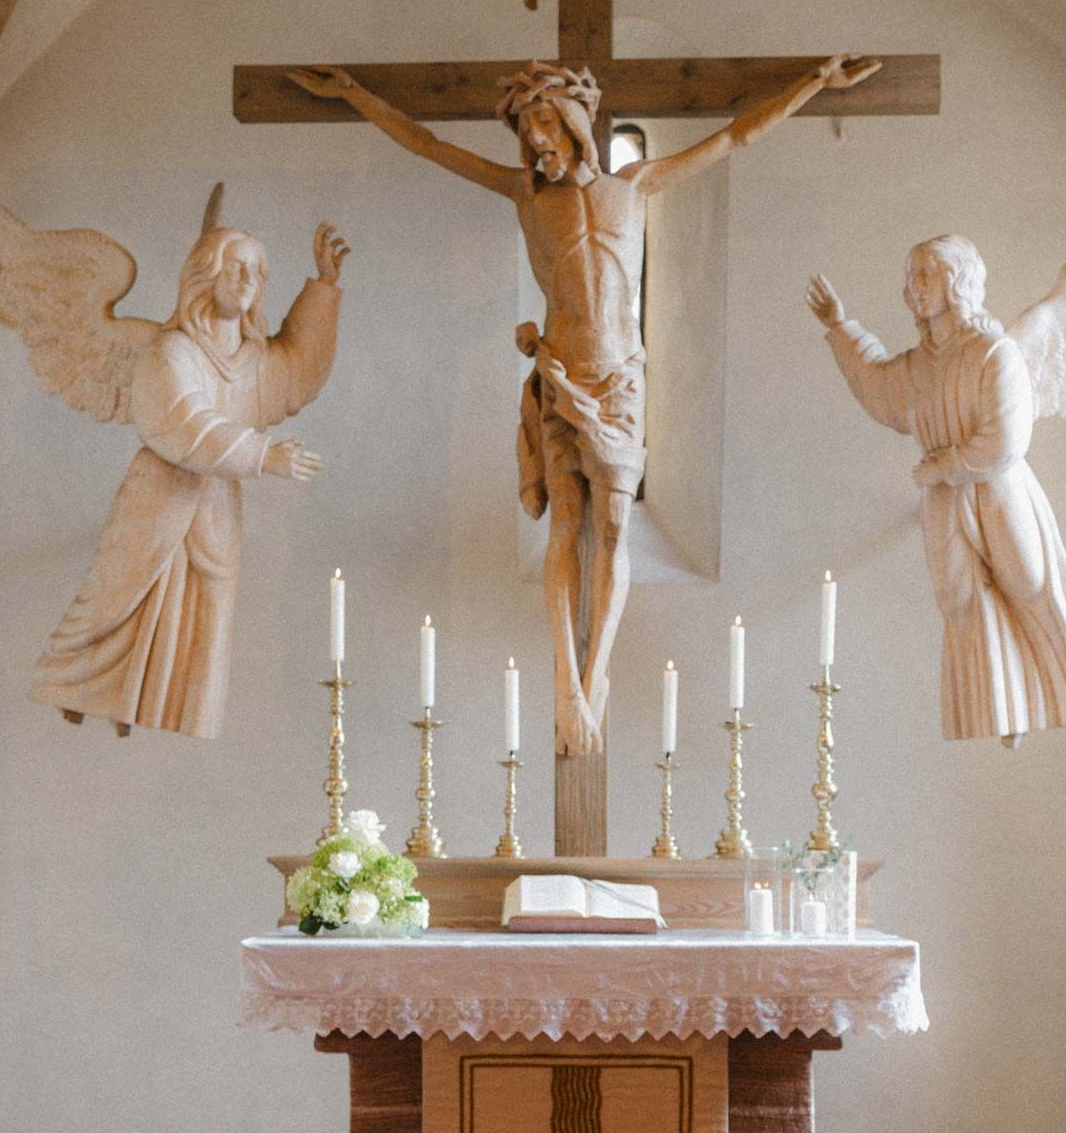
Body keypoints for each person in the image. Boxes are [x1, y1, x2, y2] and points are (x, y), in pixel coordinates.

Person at [292, 55, 880, 754]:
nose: (535, 139)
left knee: (613, 529)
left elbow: (733, 137)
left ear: (574, 122)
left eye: (543, 121)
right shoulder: (525, 195)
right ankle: (567, 683)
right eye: (525, 129)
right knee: (565, 523)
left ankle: (595, 675)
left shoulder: (636, 185)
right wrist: (355, 93)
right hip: (563, 375)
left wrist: (814, 85)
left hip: (621, 381)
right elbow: (429, 145)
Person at [807, 237, 1066, 744]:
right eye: (911, 277)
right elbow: (878, 388)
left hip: (994, 486)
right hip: (942, 495)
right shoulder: (918, 366)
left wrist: (947, 465)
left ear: (957, 281)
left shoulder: (994, 353)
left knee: (1031, 584)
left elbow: (1007, 440)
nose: (915, 287)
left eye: (927, 275)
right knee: (960, 599)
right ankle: (1004, 709)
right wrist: (840, 326)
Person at [29, 220, 346, 738]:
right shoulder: (169, 351)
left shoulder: (253, 360)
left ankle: (162, 705)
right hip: (160, 497)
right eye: (236, 266)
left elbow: (298, 370)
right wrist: (262, 455)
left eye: (257, 271)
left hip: (216, 505)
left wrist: (323, 288)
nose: (247, 279)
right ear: (206, 275)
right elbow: (181, 421)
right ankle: (75, 685)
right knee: (117, 604)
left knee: (203, 621)